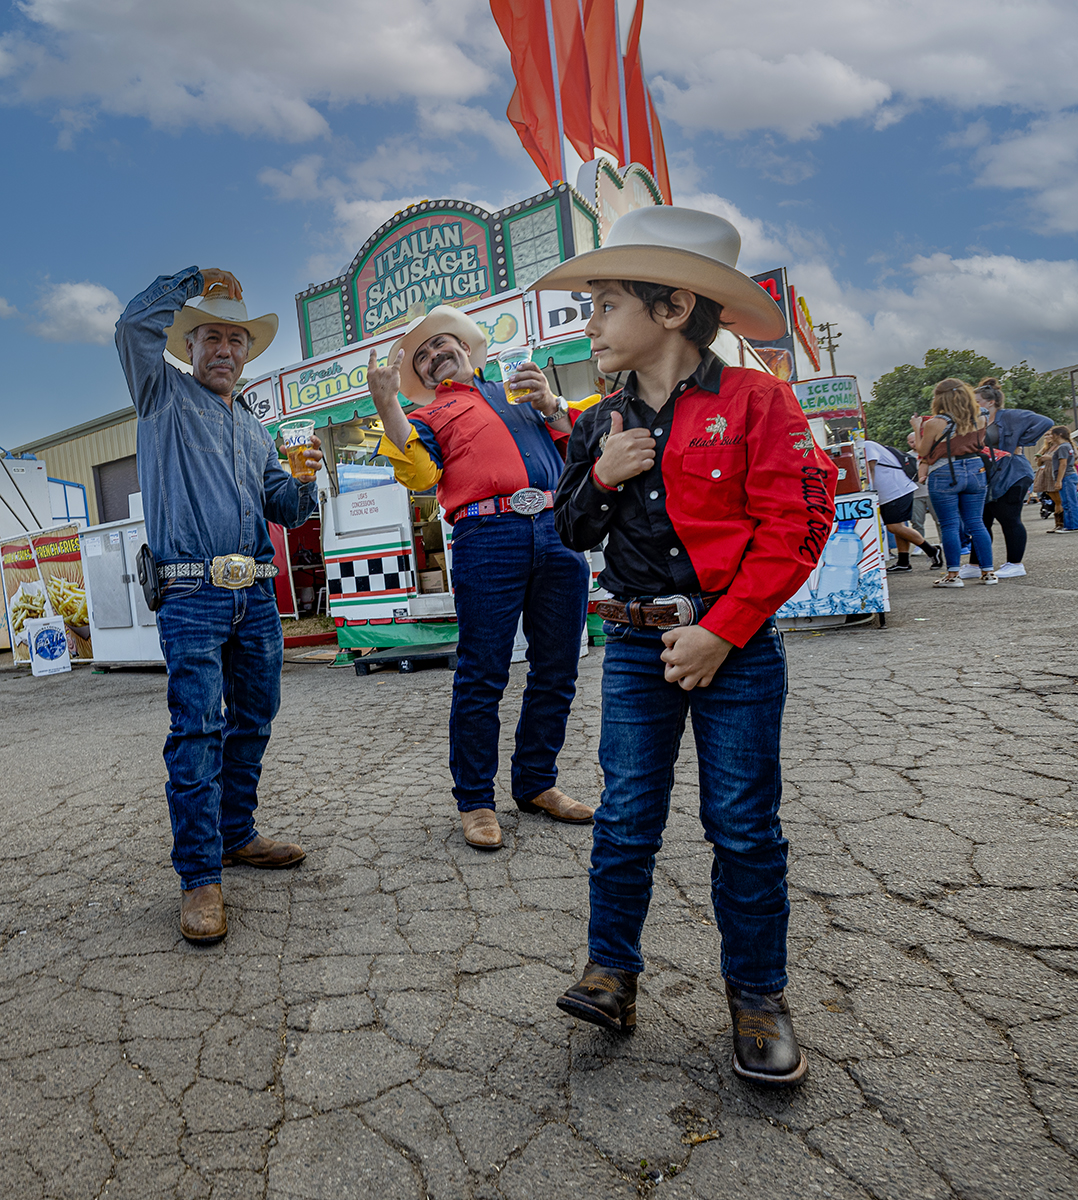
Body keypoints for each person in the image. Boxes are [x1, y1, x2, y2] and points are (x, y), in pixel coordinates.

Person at [532, 206, 837, 1087]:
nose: (589, 323)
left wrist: (720, 630)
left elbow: (796, 529)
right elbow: (568, 532)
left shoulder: (759, 401)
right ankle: (611, 974)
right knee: (626, 817)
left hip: (731, 644)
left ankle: (758, 998)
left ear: (670, 309)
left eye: (604, 304)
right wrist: (599, 476)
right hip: (632, 643)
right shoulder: (596, 423)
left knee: (743, 827)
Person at [115, 267, 324, 945]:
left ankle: (236, 836)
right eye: (212, 337)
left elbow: (285, 511)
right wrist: (190, 278)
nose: (225, 350)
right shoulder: (160, 395)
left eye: (236, 339)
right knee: (198, 731)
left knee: (254, 719)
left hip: (254, 595)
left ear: (246, 351)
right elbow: (130, 327)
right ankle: (200, 877)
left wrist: (306, 478)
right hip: (190, 593)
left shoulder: (256, 428)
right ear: (189, 345)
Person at [366, 306, 593, 851]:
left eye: (440, 343)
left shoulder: (521, 393)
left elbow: (585, 441)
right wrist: (385, 401)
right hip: (486, 537)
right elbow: (420, 473)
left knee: (557, 669)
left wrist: (553, 403)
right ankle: (475, 800)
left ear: (465, 348)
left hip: (557, 530)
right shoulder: (426, 416)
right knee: (482, 675)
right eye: (422, 356)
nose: (433, 353)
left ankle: (537, 784)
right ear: (420, 376)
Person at [959, 378, 1053, 576]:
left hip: (1013, 473)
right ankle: (976, 564)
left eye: (976, 402)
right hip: (989, 476)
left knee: (1008, 517)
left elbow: (1045, 422)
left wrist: (1019, 440)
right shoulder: (977, 420)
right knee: (981, 520)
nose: (972, 405)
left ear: (990, 402)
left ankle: (1015, 563)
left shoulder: (1009, 416)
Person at [912, 379, 996, 588]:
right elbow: (981, 443)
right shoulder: (981, 417)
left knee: (949, 524)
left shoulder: (935, 423)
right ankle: (988, 572)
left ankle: (953, 575)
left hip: (945, 471)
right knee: (976, 522)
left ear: (939, 399)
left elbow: (922, 451)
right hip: (976, 469)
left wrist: (916, 428)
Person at [861, 440, 942, 572]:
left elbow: (871, 469)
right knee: (898, 527)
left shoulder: (867, 446)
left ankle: (932, 550)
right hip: (891, 493)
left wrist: (868, 490)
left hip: (896, 490)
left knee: (894, 527)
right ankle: (903, 561)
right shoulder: (869, 447)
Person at [1042, 426, 1078, 533]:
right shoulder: (1068, 446)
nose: (1051, 436)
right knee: (1070, 501)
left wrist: (1058, 481)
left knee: (1068, 502)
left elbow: (1063, 464)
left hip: (1066, 476)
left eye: (1053, 434)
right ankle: (1070, 524)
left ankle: (1072, 525)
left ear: (1059, 435)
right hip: (1070, 476)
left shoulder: (1062, 447)